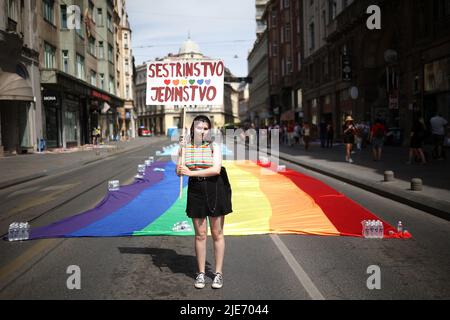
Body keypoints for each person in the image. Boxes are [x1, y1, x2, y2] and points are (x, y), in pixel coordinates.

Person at [176, 115, 232, 289]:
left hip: (215, 189)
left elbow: (216, 170)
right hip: (196, 191)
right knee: (200, 235)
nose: (202, 130)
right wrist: (180, 163)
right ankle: (200, 273)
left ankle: (218, 273)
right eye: (199, 127)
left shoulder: (214, 146)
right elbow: (179, 171)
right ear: (193, 129)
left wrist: (191, 173)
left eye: (206, 128)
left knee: (217, 233)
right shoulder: (186, 147)